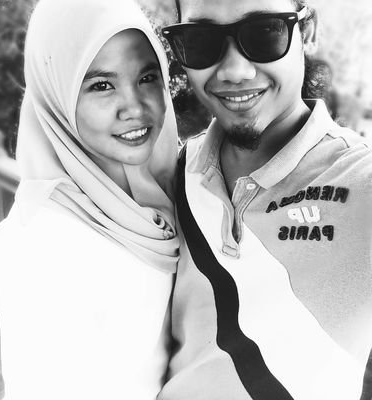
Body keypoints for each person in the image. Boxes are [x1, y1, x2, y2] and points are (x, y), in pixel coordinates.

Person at [159, 0, 372, 398]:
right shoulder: (171, 176)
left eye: (264, 33)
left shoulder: (360, 182)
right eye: (201, 40)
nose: (234, 71)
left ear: (307, 32)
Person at [0, 0, 179, 398]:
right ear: (56, 95)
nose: (135, 107)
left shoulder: (162, 190)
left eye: (147, 77)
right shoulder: (41, 246)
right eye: (102, 85)